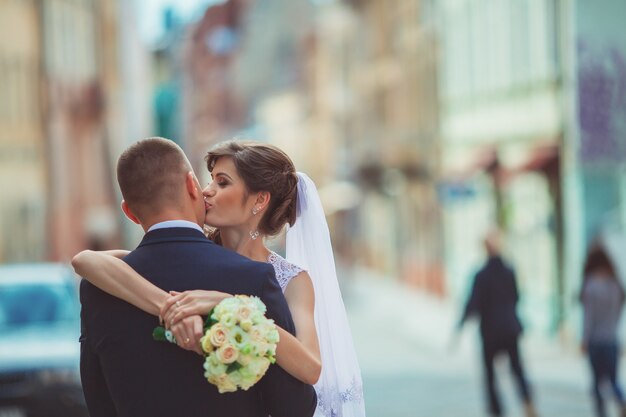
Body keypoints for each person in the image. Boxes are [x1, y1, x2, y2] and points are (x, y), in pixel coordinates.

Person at [73, 139, 365, 417]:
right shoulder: (204, 262)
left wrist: (231, 306)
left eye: (222, 182)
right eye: (208, 179)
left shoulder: (286, 278)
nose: (207, 191)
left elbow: (311, 368)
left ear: (259, 200)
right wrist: (169, 305)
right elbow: (86, 260)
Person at [458, 231, 537, 417]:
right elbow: (516, 296)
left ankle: (496, 410)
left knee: (490, 375)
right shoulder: (509, 271)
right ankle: (527, 401)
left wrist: (462, 322)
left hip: (490, 332)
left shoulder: (481, 275)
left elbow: (473, 303)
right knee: (517, 369)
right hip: (510, 328)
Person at [580, 244, 626, 417]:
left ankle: (601, 413)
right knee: (614, 381)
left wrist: (584, 339)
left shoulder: (590, 286)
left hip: (595, 342)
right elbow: (618, 312)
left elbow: (588, 317)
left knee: (597, 384)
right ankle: (622, 401)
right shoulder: (615, 286)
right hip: (612, 340)